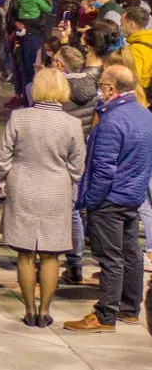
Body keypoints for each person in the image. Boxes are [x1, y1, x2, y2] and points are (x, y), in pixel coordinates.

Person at [65, 64, 152, 332]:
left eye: (102, 85)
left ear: (111, 89)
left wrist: (89, 200)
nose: (100, 91)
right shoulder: (144, 115)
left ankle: (105, 315)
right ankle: (129, 309)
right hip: (131, 196)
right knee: (131, 254)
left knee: (111, 259)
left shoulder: (112, 121)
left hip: (109, 200)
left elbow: (103, 169)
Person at [0, 68, 86, 327]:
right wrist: (62, 176)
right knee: (50, 254)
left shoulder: (19, 117)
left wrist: (6, 176)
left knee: (24, 253)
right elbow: (78, 167)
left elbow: (3, 157)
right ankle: (45, 311)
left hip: (22, 187)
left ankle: (29, 310)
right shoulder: (72, 124)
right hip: (56, 190)